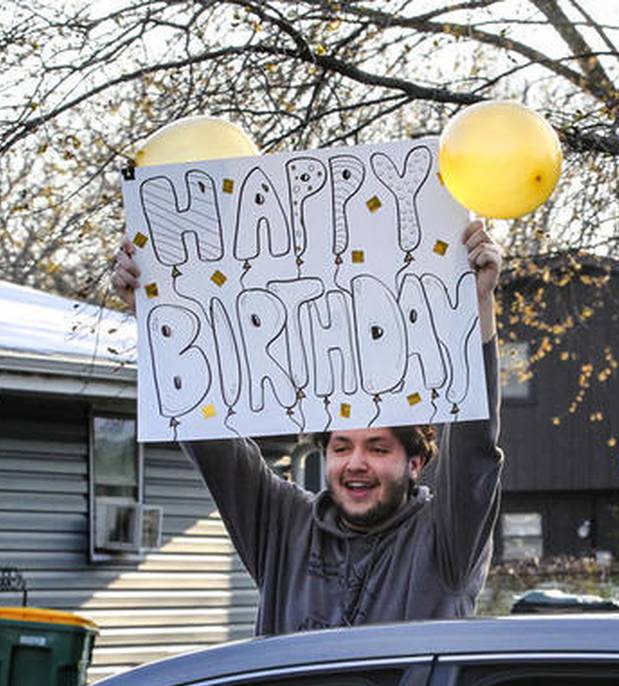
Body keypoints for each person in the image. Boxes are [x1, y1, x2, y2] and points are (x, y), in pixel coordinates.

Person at [112, 221, 504, 635]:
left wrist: (476, 305)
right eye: (340, 447)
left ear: (415, 462)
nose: (356, 463)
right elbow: (212, 442)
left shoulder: (446, 542)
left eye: (378, 448)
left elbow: (475, 450)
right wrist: (155, 311)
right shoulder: (283, 526)